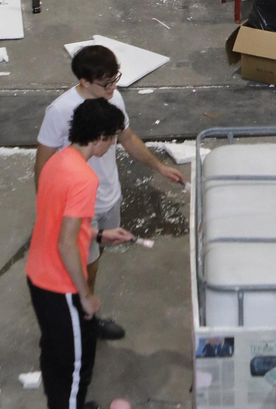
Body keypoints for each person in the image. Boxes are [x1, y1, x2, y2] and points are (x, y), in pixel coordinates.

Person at [35, 44, 186, 341]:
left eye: (115, 78)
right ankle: (83, 318)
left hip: (107, 195)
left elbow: (127, 137)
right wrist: (47, 209)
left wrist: (158, 166)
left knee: (95, 255)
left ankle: (82, 309)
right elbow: (43, 163)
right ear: (84, 82)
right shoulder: (60, 111)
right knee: (82, 263)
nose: (113, 87)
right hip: (77, 205)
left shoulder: (113, 98)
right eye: (106, 82)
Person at [26, 96, 131, 409]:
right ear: (100, 138)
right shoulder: (86, 178)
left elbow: (57, 222)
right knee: (75, 370)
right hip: (61, 285)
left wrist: (100, 234)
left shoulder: (58, 161)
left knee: (53, 356)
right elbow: (68, 244)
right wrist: (85, 293)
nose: (112, 146)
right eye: (113, 140)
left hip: (37, 277)